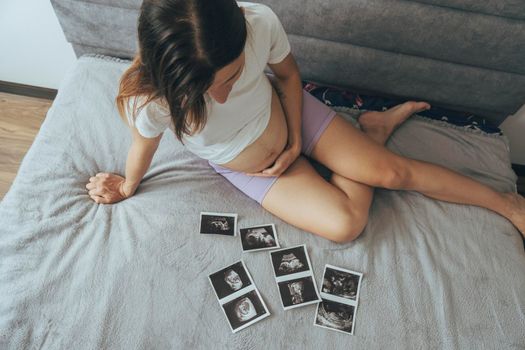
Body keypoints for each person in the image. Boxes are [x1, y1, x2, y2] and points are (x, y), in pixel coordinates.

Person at [85, 0, 525, 243]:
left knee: (394, 172)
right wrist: (126, 186)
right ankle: (372, 131)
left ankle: (507, 203)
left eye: (233, 77)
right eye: (204, 92)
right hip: (254, 170)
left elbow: (291, 77)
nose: (220, 95)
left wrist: (296, 139)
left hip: (293, 120)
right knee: (346, 225)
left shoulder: (257, 23)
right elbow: (142, 147)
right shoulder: (151, 100)